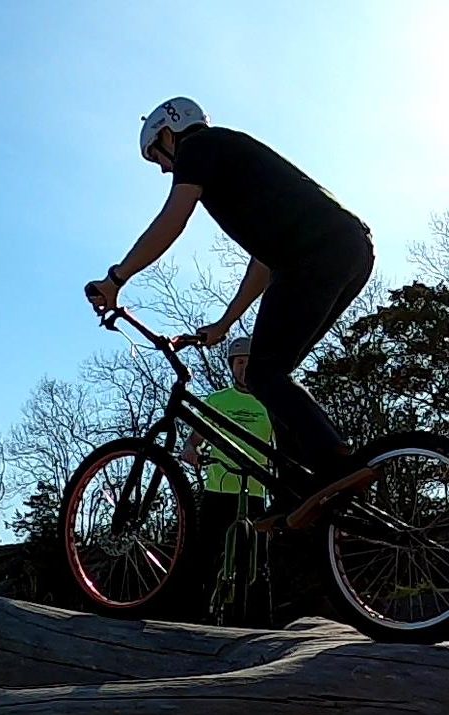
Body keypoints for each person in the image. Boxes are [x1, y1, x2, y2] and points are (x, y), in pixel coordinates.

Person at [86, 96, 375, 526]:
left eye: (157, 157)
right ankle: (310, 482)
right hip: (348, 251)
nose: (165, 169)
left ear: (170, 131)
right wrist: (224, 323)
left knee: (262, 373)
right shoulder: (237, 167)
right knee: (273, 374)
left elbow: (172, 220)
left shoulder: (200, 148)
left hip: (316, 255)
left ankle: (335, 464)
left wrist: (116, 278)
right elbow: (263, 262)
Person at [180, 335, 273, 623]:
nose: (245, 368)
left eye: (249, 362)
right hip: (218, 488)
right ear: (232, 366)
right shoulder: (218, 400)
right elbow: (195, 437)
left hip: (255, 492)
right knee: (204, 556)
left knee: (258, 564)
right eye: (240, 362)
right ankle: (191, 619)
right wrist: (190, 449)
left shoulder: (270, 404)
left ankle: (259, 625)